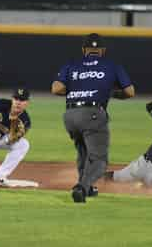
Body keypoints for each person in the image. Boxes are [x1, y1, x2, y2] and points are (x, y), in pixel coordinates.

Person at [51, 33, 135, 203]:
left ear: (84, 50)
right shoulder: (112, 65)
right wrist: (109, 93)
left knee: (83, 153)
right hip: (93, 114)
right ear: (102, 50)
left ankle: (86, 188)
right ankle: (82, 187)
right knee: (100, 160)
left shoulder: (72, 64)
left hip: (70, 115)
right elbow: (130, 92)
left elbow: (56, 88)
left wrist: (77, 91)